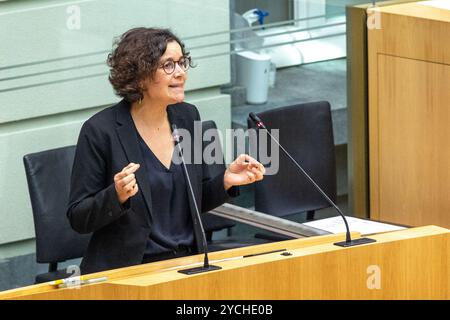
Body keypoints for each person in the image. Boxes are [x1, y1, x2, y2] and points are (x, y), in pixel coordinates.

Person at [67, 27, 265, 275]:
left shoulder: (188, 117)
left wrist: (225, 181)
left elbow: (196, 200)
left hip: (187, 266)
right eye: (168, 65)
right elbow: (78, 217)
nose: (181, 72)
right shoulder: (100, 130)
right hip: (130, 272)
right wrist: (115, 195)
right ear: (139, 76)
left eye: (182, 62)